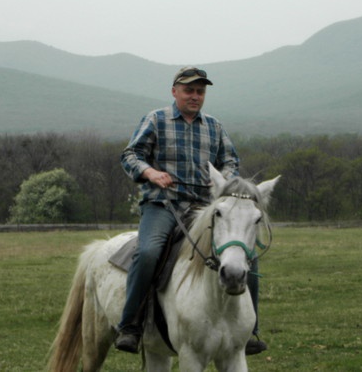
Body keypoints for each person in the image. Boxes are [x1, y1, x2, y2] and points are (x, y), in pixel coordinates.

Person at [115, 66, 268, 356]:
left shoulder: (214, 126)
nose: (195, 96)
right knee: (149, 251)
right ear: (175, 92)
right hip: (163, 204)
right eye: (189, 90)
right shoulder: (156, 120)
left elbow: (231, 160)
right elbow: (130, 155)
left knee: (249, 257)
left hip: (203, 207)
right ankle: (130, 325)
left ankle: (250, 331)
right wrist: (150, 172)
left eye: (200, 91)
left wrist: (223, 182)